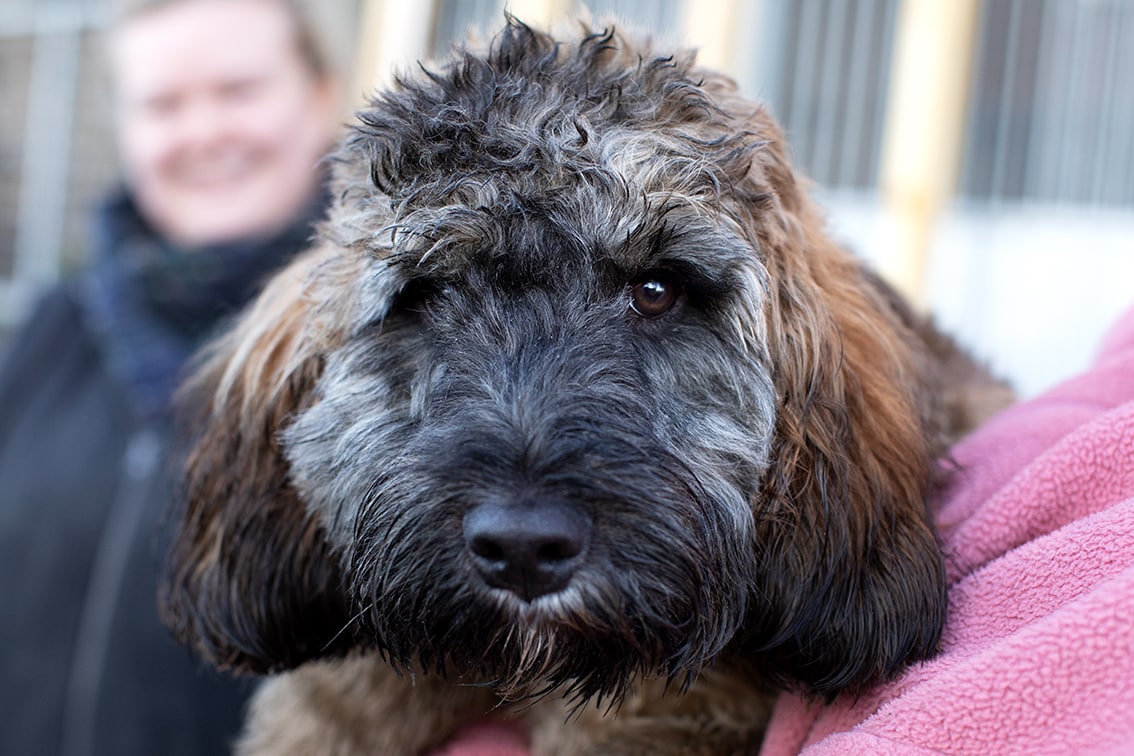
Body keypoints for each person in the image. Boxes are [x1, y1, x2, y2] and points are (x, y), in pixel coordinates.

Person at [0, 0, 343, 752]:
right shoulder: (54, 326)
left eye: (238, 91)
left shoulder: (387, 342)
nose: (203, 132)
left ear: (321, 98)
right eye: (162, 104)